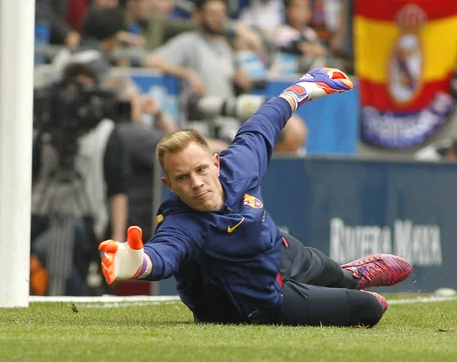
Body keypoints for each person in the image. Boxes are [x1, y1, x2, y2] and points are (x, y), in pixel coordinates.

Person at [98, 67, 414, 327]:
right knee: (372, 307)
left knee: (331, 272)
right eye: (182, 178)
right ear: (170, 185)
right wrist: (135, 261)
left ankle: (350, 275)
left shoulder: (239, 165)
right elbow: (163, 254)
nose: (195, 182)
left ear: (216, 163)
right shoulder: (181, 223)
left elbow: (264, 123)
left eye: (200, 170)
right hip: (255, 301)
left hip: (275, 252)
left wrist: (303, 88)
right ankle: (342, 289)